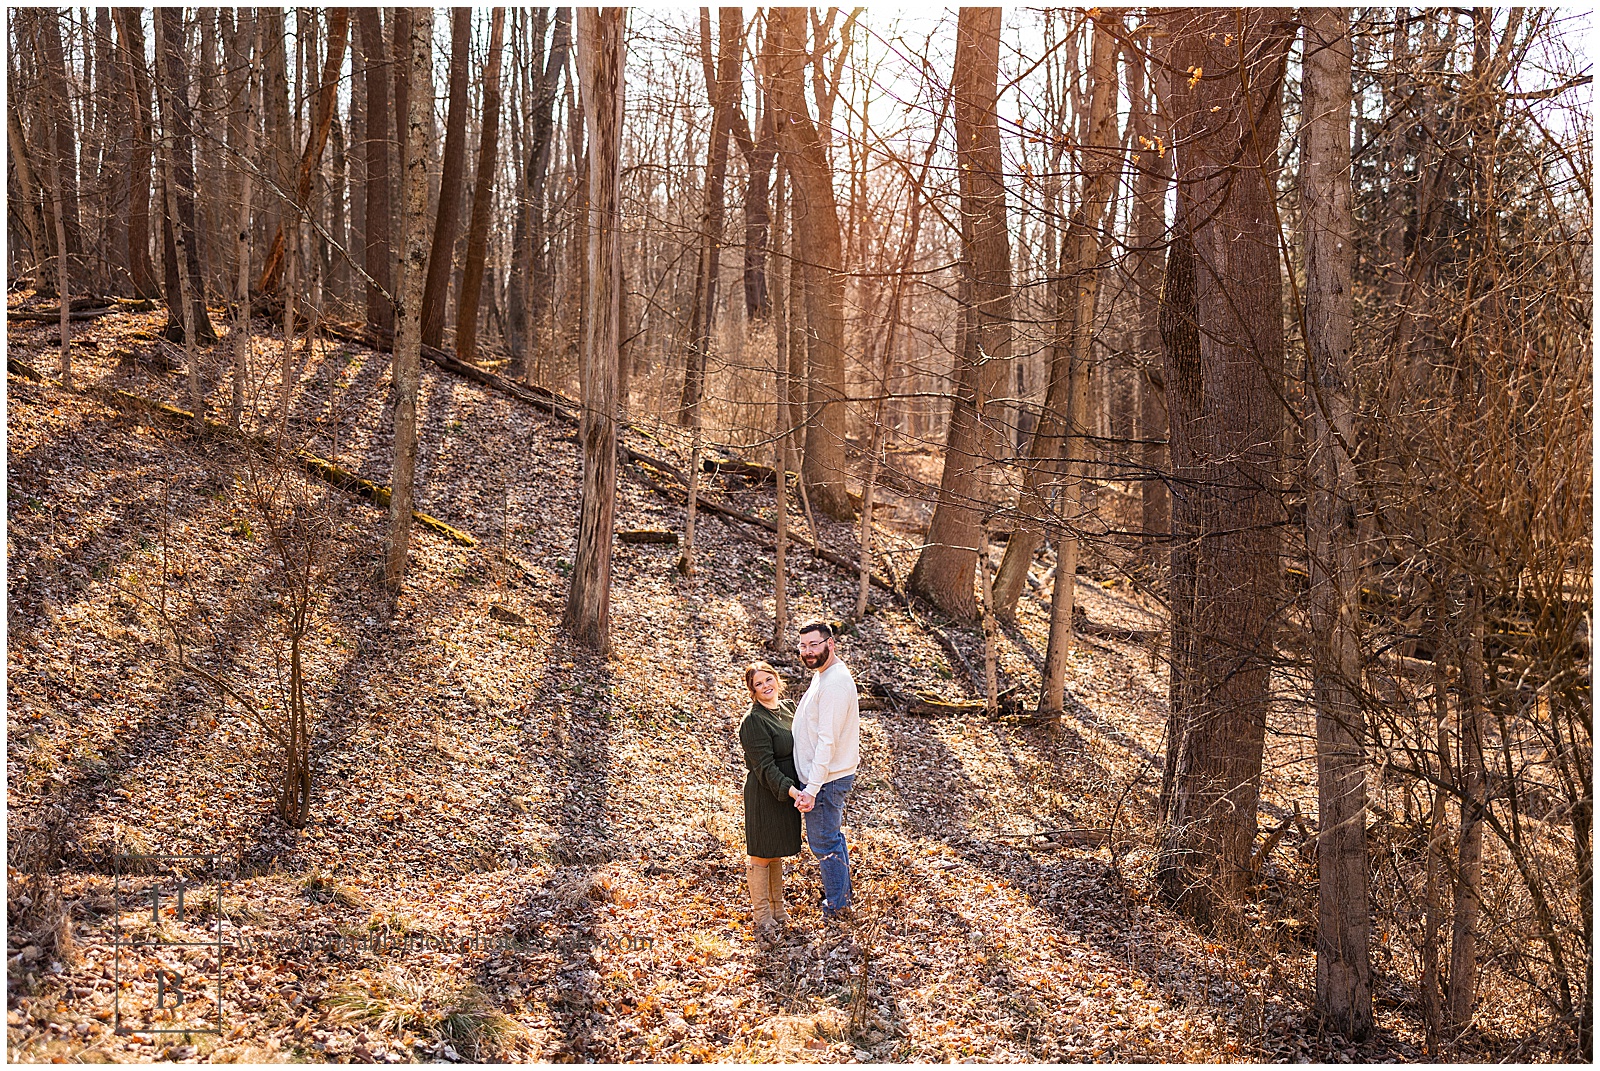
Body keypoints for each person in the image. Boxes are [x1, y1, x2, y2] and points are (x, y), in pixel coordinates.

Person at [790, 619, 860, 922]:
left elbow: (827, 742)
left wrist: (811, 788)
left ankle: (837, 907)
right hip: (827, 777)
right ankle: (843, 896)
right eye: (803, 646)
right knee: (832, 837)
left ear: (830, 644)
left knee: (824, 842)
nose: (808, 651)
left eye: (814, 644)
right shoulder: (825, 674)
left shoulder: (834, 683)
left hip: (826, 780)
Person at [737, 661, 808, 944]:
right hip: (767, 791)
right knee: (762, 852)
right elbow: (764, 767)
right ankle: (762, 915)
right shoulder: (753, 721)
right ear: (752, 692)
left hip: (789, 787)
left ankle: (779, 909)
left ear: (777, 679)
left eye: (769, 680)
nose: (766, 686)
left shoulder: (789, 708)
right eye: (759, 684)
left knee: (776, 850)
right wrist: (792, 792)